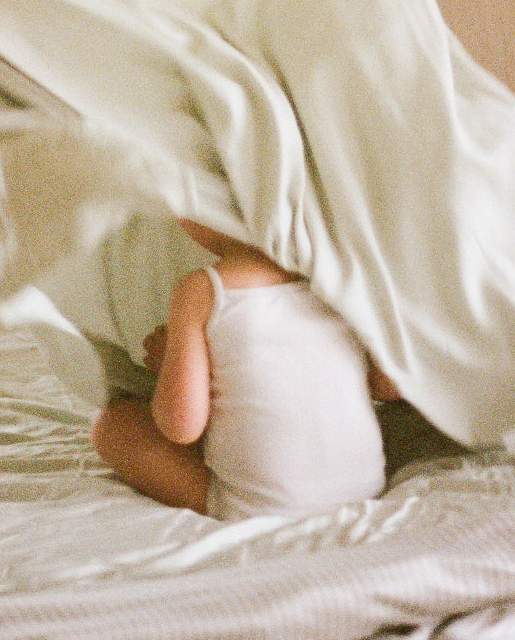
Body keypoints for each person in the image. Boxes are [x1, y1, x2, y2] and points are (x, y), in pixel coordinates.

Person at [91, 218, 399, 520]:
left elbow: (181, 426)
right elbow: (387, 386)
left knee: (113, 424)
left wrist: (168, 366)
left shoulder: (201, 290)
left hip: (261, 506)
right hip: (363, 489)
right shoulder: (342, 274)